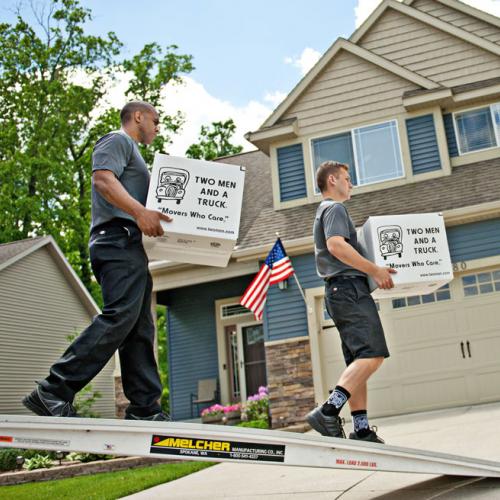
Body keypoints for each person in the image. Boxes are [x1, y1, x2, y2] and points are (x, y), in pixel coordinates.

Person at [23, 101, 172, 421]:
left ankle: (145, 408)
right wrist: (139, 212)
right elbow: (102, 180)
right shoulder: (117, 141)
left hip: (131, 246)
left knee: (139, 327)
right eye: (155, 120)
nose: (157, 127)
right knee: (120, 317)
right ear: (137, 117)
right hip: (115, 240)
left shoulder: (135, 157)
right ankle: (53, 389)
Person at [306, 160, 396, 442]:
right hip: (348, 289)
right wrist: (375, 270)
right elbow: (336, 245)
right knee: (372, 354)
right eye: (347, 178)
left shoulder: (325, 211)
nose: (351, 183)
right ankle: (329, 410)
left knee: (358, 362)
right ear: (332, 181)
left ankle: (361, 428)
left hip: (341, 291)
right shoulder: (334, 208)